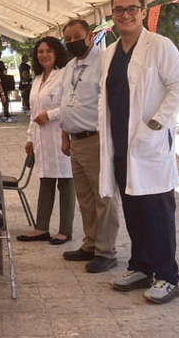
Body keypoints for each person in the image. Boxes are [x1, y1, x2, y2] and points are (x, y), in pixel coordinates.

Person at [101, 0, 179, 304]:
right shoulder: (110, 52)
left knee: (158, 213)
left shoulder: (159, 45)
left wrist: (156, 123)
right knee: (134, 211)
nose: (124, 15)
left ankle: (168, 276)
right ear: (112, 15)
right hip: (121, 148)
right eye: (118, 10)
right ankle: (140, 267)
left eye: (131, 9)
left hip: (148, 147)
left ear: (143, 10)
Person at [59, 19, 121, 273]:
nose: (72, 42)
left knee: (103, 197)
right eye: (68, 39)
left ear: (90, 35)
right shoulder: (70, 66)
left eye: (77, 37)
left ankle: (106, 251)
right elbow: (66, 102)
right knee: (84, 197)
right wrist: (65, 137)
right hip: (75, 141)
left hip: (96, 139)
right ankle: (91, 242)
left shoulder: (104, 62)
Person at [17, 37, 74, 245]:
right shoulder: (38, 79)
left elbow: (70, 105)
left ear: (57, 53)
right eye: (40, 51)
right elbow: (34, 112)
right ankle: (41, 228)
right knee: (46, 180)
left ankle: (65, 230)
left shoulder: (64, 76)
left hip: (60, 135)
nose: (44, 55)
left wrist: (49, 115)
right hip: (42, 138)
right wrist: (30, 138)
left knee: (66, 182)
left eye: (49, 51)